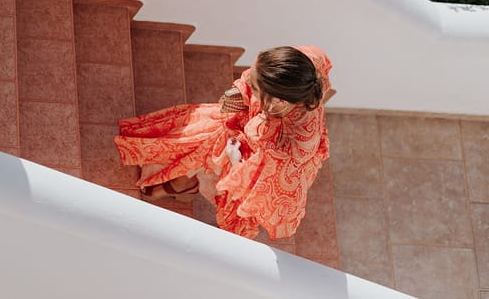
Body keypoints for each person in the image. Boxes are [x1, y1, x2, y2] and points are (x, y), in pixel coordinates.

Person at [114, 45, 333, 240]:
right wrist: (238, 92)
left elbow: (266, 193)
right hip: (247, 133)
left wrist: (236, 161)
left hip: (257, 164)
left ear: (278, 101)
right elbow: (252, 79)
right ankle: (184, 183)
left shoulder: (285, 149)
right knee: (208, 131)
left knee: (230, 195)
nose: (248, 82)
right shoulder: (305, 63)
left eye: (255, 87)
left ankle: (185, 184)